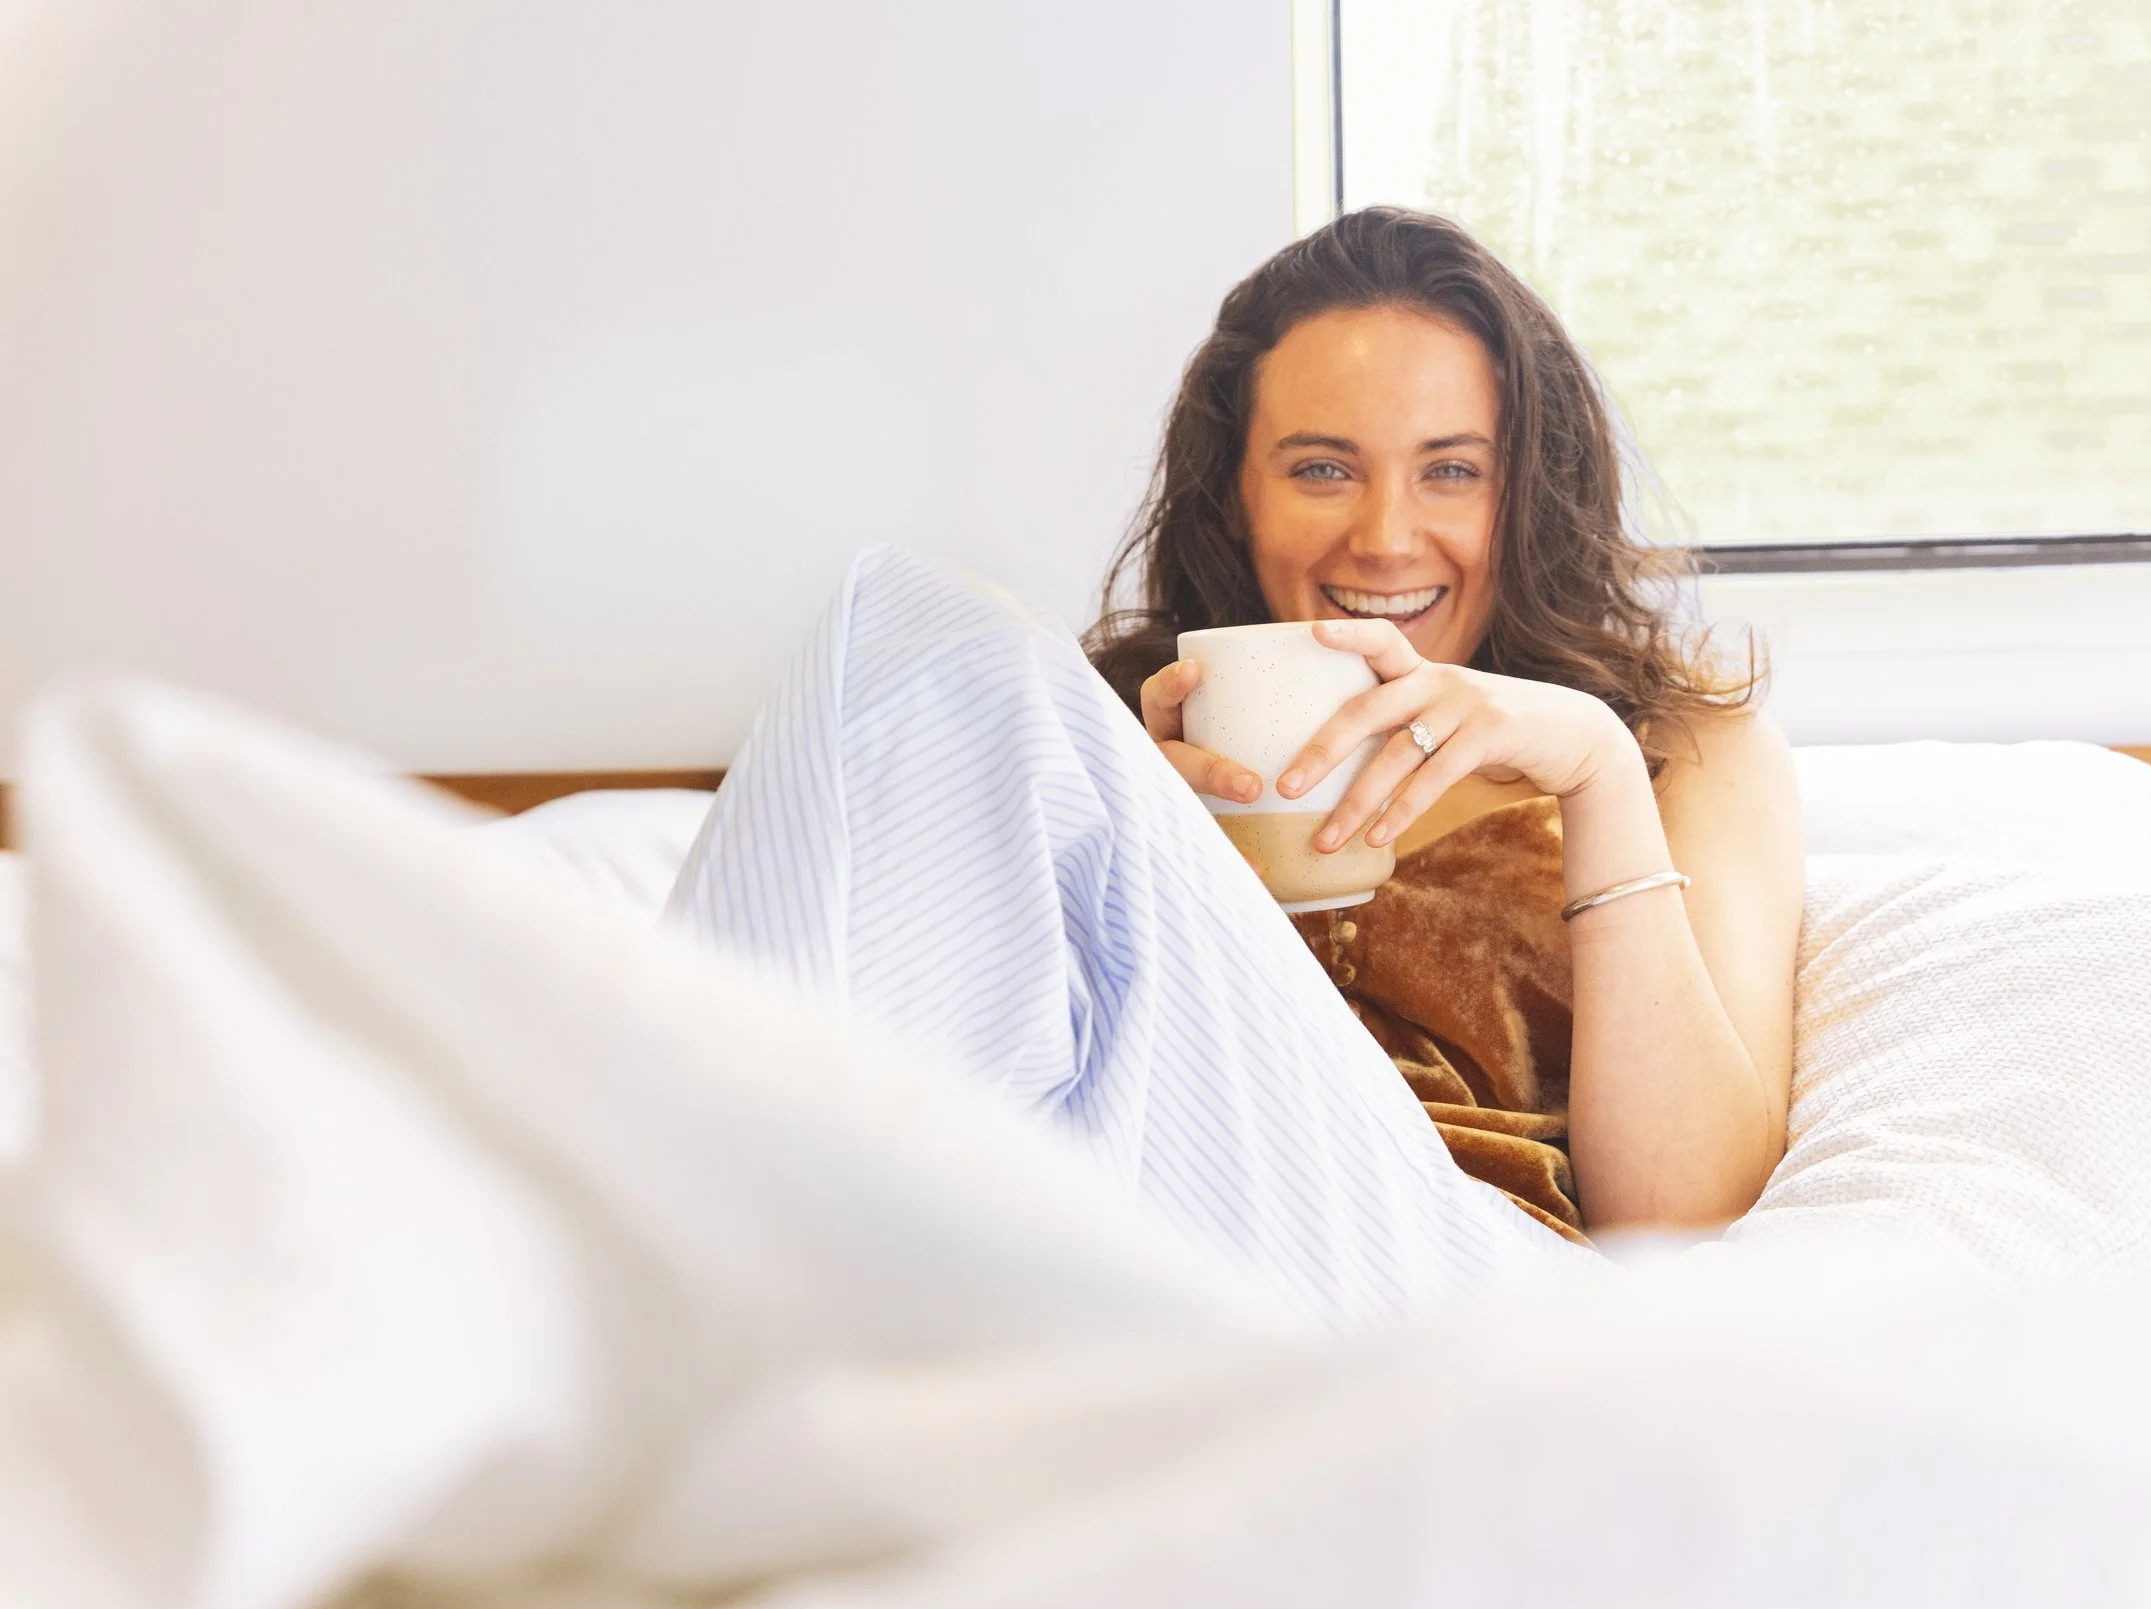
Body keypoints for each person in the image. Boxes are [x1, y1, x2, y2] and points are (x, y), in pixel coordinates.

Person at [669, 207, 1801, 1329]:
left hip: (1457, 1283)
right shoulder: (1102, 744)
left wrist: (1593, 772)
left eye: (1451, 470)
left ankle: (706, 1305)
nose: (1386, 537)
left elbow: (1686, 1211)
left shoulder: (1669, 749)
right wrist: (1141, 845)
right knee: (909, 626)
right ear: (1234, 493)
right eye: (1322, 468)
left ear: (1529, 494)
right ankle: (721, 1284)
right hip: (1132, 1247)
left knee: (909, 620)